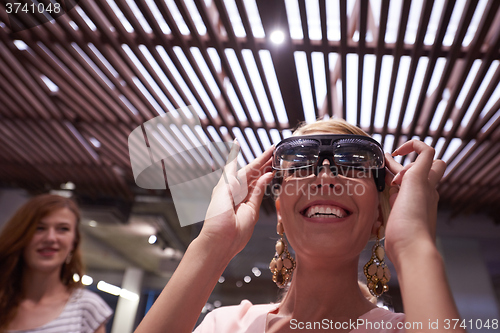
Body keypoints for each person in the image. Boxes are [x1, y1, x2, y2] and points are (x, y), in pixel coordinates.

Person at [134, 118, 464, 333]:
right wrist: (213, 244)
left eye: (351, 164)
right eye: (303, 163)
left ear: (380, 216)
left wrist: (412, 242)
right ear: (280, 211)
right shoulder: (228, 326)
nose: (324, 176)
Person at [0, 194, 113, 333]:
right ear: (21, 235)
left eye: (63, 229)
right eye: (39, 228)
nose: (50, 238)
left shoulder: (86, 309)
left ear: (74, 242)